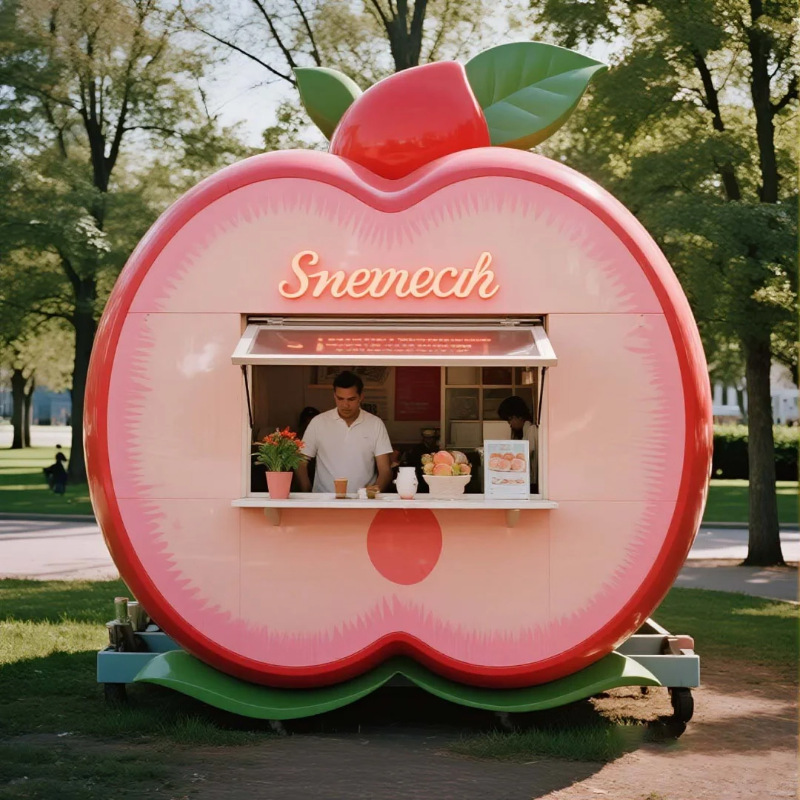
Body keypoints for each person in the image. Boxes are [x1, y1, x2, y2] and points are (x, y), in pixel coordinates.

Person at [296, 371, 393, 494]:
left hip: (363, 502)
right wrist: (308, 493)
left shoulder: (375, 424)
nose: (345, 405)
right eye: (340, 399)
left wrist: (374, 492)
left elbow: (385, 470)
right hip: (324, 501)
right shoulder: (318, 422)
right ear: (334, 396)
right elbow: (300, 461)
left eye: (351, 399)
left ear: (361, 397)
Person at [497, 395, 538, 489]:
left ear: (519, 416)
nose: (510, 424)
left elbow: (523, 454)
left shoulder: (531, 430)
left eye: (510, 419)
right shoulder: (525, 431)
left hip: (531, 483)